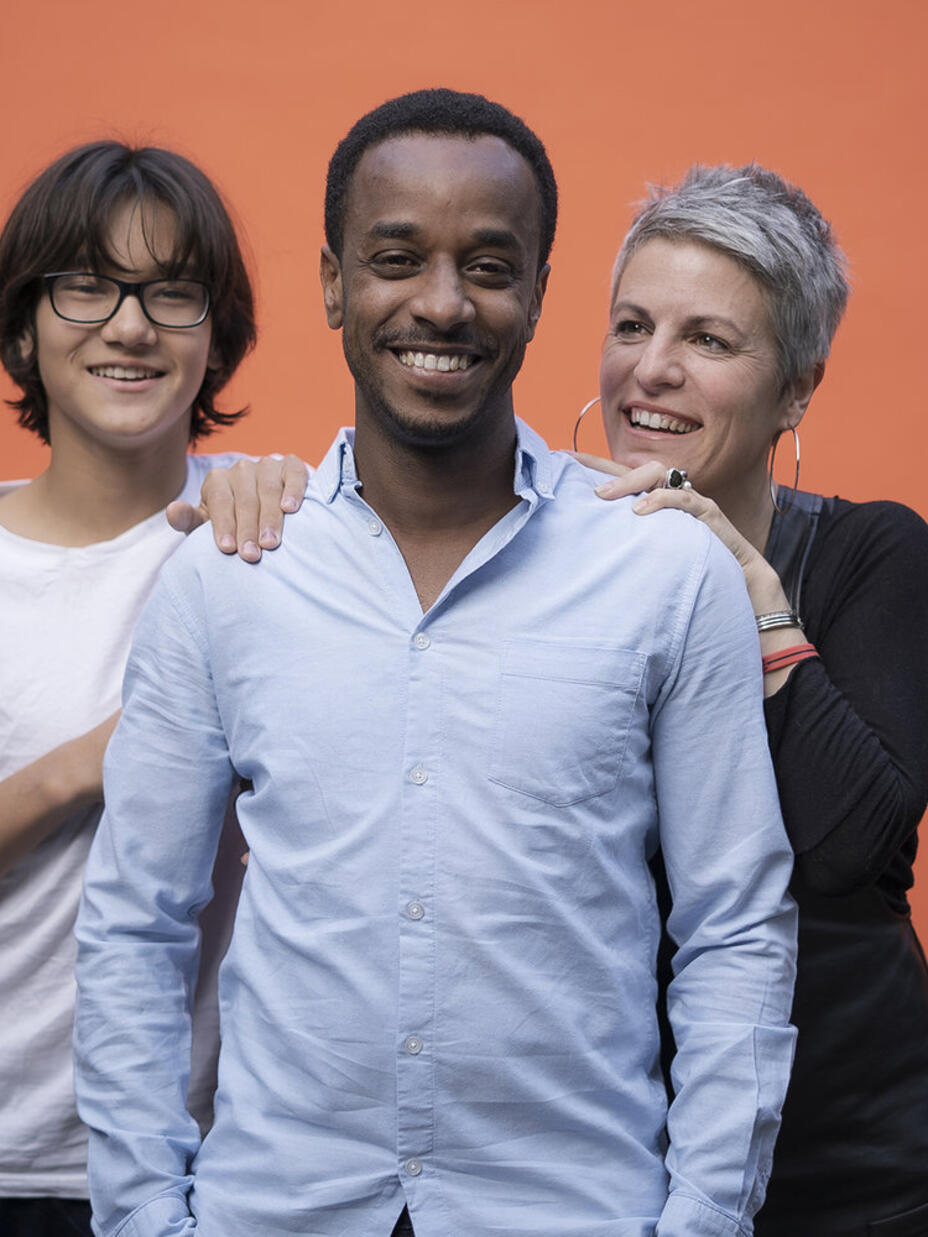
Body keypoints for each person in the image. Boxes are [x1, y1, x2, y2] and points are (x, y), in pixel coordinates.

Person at [74, 90, 797, 1237]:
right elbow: (135, 926)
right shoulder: (228, 572)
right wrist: (144, 1219)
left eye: (489, 267)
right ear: (333, 284)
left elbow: (735, 928)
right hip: (277, 1211)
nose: (444, 303)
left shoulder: (663, 574)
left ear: (540, 294)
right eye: (397, 258)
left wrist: (704, 1219)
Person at [577, 164, 928, 1235]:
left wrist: (751, 587)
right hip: (600, 1166)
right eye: (632, 325)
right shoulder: (537, 566)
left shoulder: (872, 554)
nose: (652, 367)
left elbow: (850, 844)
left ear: (796, 391)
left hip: (851, 1178)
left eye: (708, 339)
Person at [0, 141, 267, 1237]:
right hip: (14, 1155)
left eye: (171, 291)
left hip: (210, 1163)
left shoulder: (272, 531)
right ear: (23, 330)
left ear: (216, 339)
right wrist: (94, 762)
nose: (129, 325)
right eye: (85, 286)